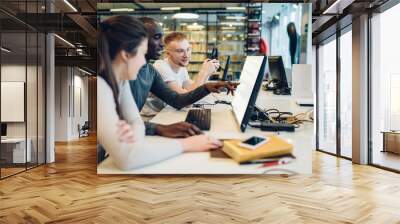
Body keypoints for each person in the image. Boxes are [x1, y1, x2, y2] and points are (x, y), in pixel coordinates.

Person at [97, 15, 222, 170]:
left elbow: (134, 122)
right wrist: (185, 144)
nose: (144, 62)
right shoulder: (101, 86)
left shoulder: (122, 80)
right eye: (142, 54)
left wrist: (136, 131)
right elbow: (128, 159)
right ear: (126, 55)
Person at [130, 17, 238, 138]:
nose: (162, 44)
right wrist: (203, 73)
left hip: (143, 126)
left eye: (188, 50)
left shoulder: (150, 70)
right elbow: (121, 121)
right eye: (156, 38)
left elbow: (177, 100)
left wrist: (208, 87)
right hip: (142, 125)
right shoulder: (133, 71)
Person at [153, 32, 219, 94]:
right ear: (168, 53)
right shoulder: (160, 67)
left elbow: (192, 88)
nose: (186, 55)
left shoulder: (181, 67)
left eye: (188, 49)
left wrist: (208, 73)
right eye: (180, 51)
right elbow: (184, 98)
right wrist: (204, 72)